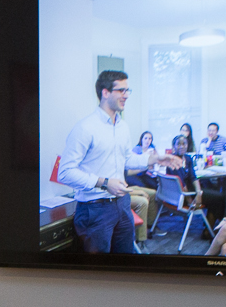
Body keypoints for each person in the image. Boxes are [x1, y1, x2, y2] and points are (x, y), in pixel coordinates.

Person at [57, 70, 178, 253]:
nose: (126, 96)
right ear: (105, 93)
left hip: (122, 204)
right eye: (121, 90)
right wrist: (104, 183)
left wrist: (154, 159)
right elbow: (65, 172)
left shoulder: (123, 127)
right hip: (95, 209)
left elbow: (127, 159)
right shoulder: (85, 128)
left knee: (124, 265)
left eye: (128, 90)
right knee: (99, 274)